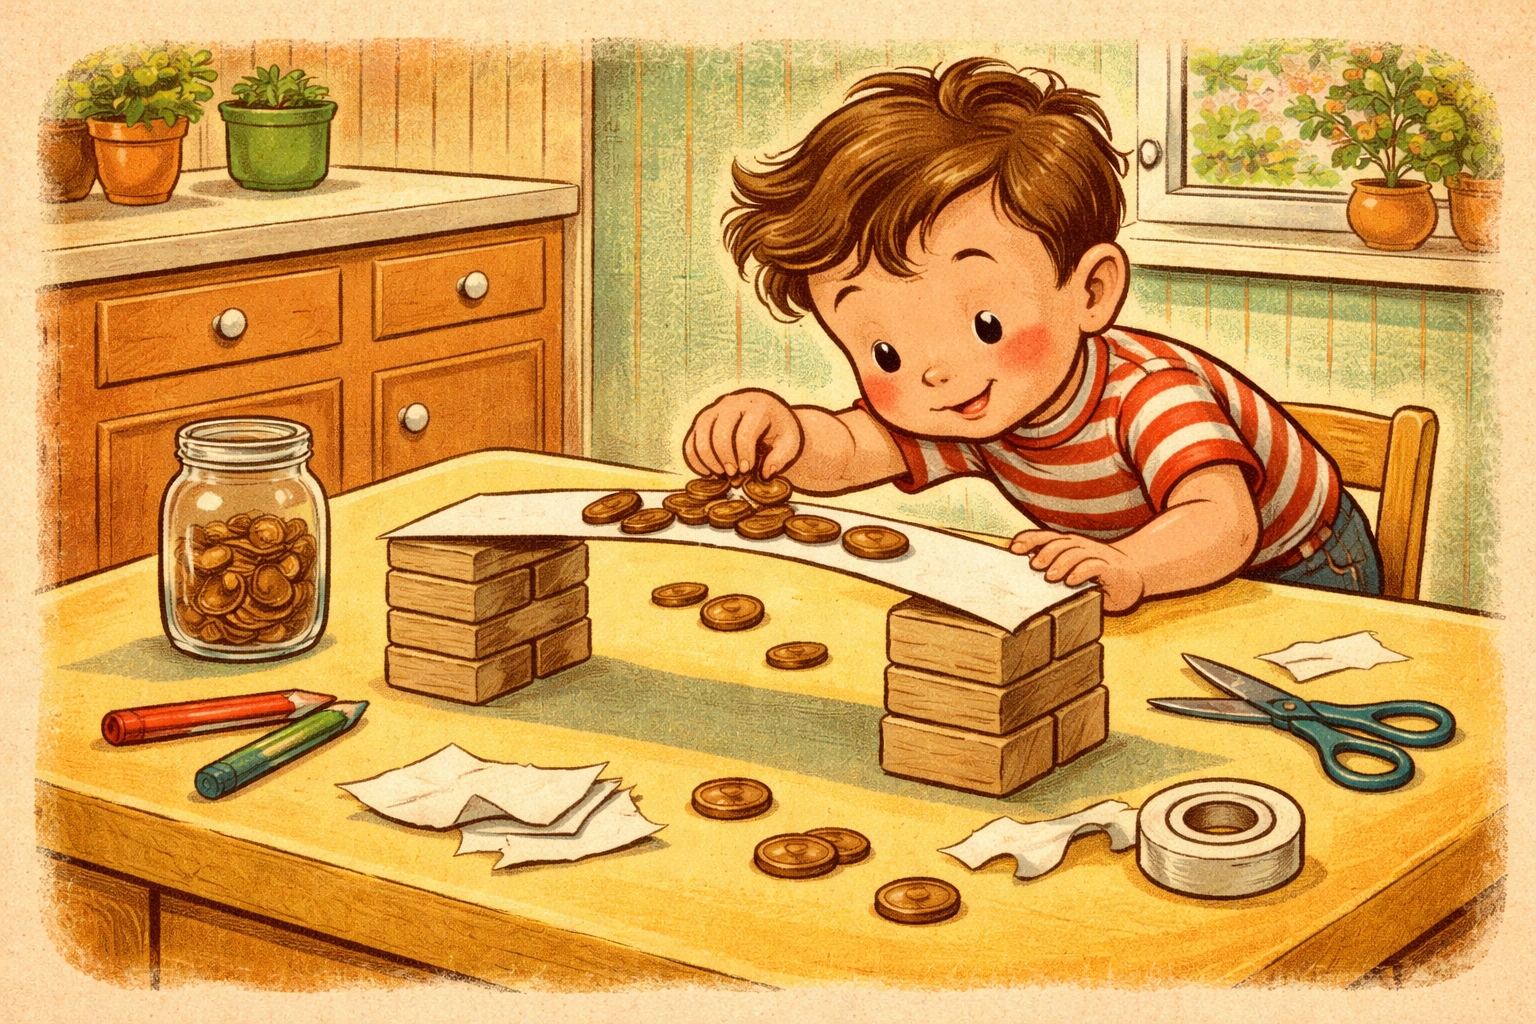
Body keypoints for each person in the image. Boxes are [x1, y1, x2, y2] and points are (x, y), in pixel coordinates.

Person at [683, 57, 1381, 612]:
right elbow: (848, 452)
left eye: (984, 325)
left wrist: (1131, 564)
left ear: (1091, 291)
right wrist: (784, 435)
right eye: (884, 352)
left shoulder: (1150, 397)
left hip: (1300, 568)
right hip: (1133, 574)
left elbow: (1222, 523)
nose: (935, 372)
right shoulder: (970, 402)